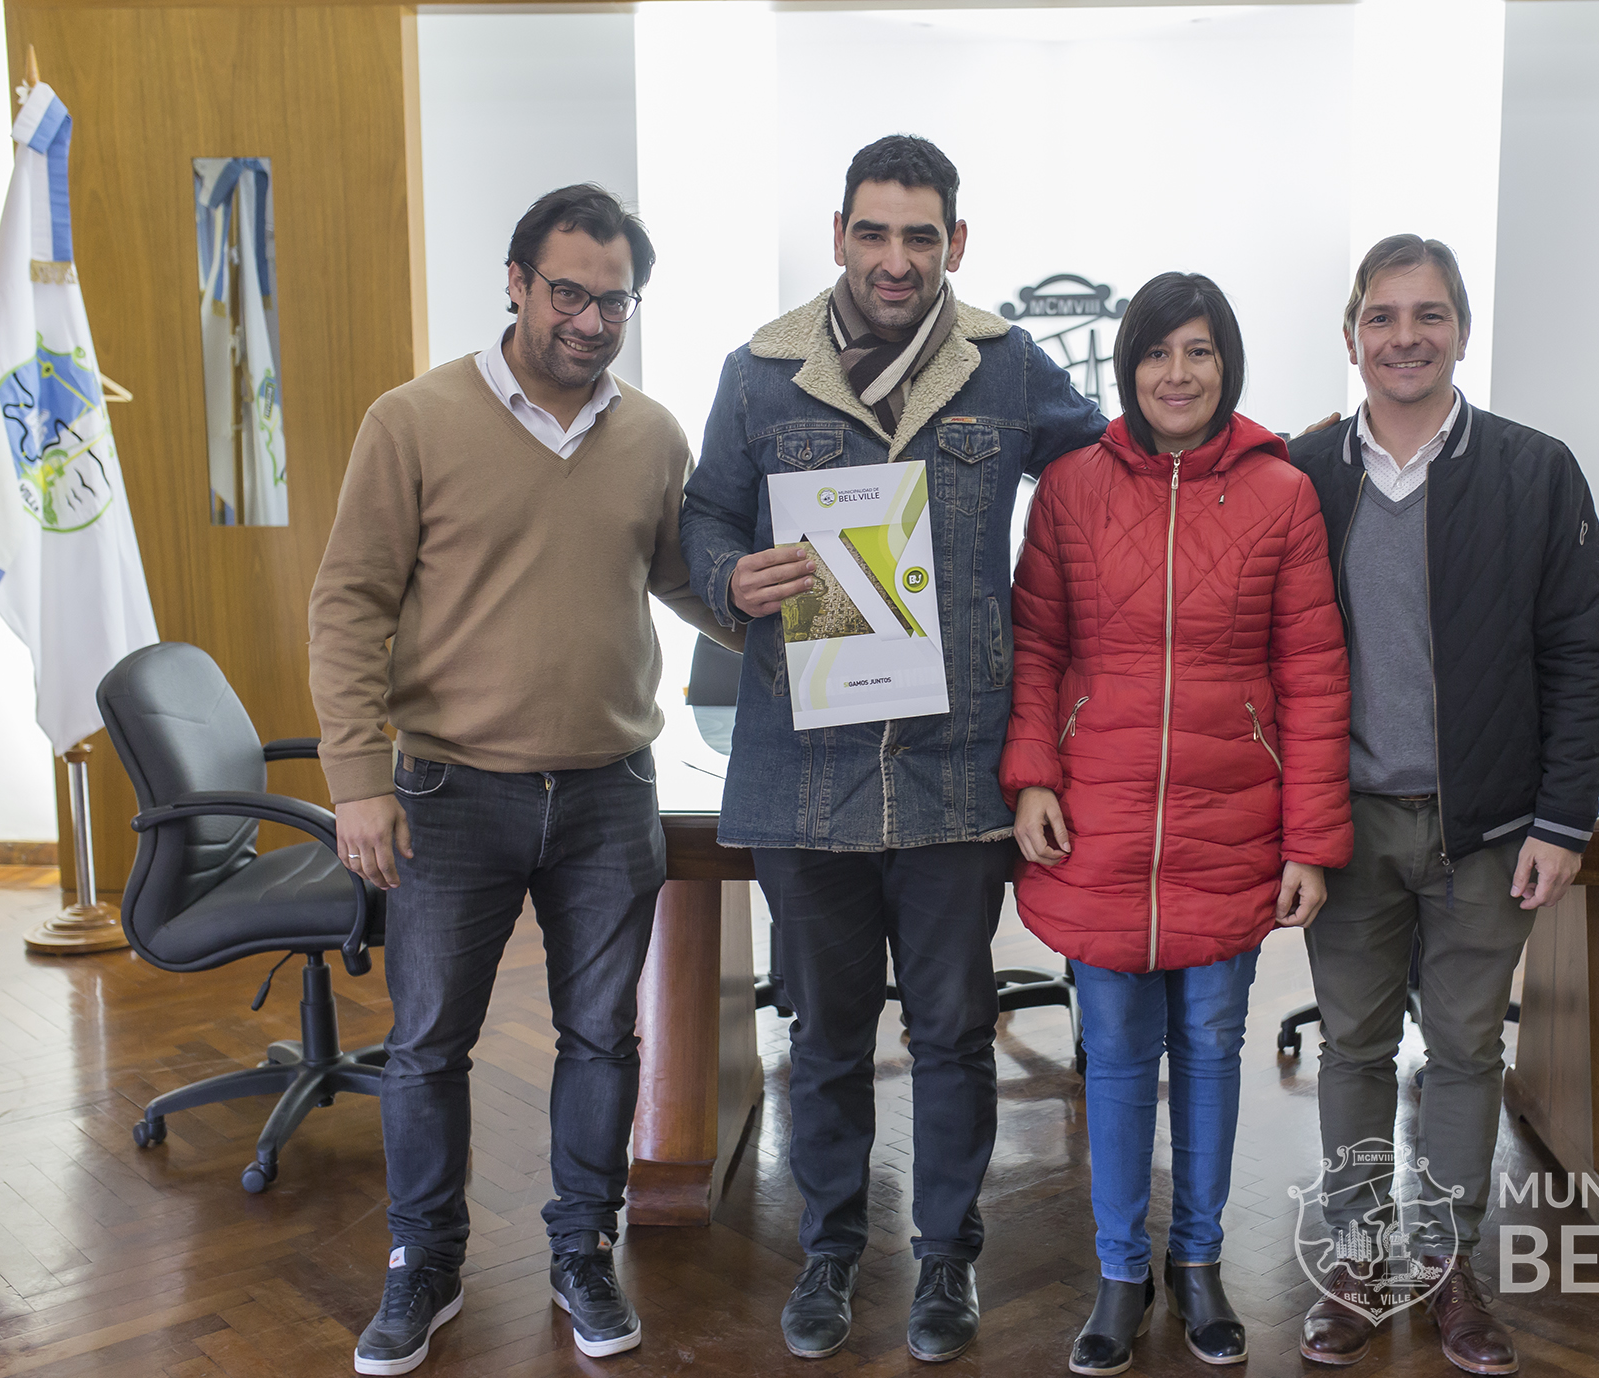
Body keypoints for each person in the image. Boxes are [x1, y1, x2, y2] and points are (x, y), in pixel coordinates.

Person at [679, 134, 1106, 1364]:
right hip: (805, 776)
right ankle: (828, 1249)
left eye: (922, 236)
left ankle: (947, 1257)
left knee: (954, 1031)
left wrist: (1252, 461)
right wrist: (729, 576)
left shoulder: (1006, 367)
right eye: (873, 232)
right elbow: (705, 513)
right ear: (839, 235)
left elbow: (1111, 467)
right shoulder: (761, 373)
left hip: (955, 770)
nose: (896, 259)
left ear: (955, 244)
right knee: (822, 1034)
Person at [308, 184, 739, 1376]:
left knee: (602, 1040)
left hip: (608, 792)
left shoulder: (652, 436)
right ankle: (424, 1264)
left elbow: (681, 579)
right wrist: (356, 777)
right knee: (429, 1045)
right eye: (569, 294)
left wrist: (804, 622)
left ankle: (581, 1250)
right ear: (514, 281)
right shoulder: (412, 421)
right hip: (451, 793)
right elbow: (347, 604)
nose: (593, 322)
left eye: (616, 301)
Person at [1002, 272, 1353, 1376]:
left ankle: (1197, 1263)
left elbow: (1312, 674)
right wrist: (1032, 775)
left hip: (1230, 818)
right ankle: (1120, 1271)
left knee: (1208, 1049)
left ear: (1226, 364)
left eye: (1199, 351)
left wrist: (1310, 841)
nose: (1178, 373)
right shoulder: (1069, 487)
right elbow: (1035, 644)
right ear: (1129, 366)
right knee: (1112, 1055)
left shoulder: (1281, 492)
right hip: (1096, 816)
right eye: (1157, 352)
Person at [1288, 235, 1599, 1376]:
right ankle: (1357, 1256)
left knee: (1467, 1048)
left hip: (1486, 824)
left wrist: (1562, 820)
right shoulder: (1303, 474)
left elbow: (1580, 656)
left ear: (1462, 331)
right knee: (1352, 1046)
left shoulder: (1535, 471)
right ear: (1351, 339)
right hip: (1346, 822)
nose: (1405, 337)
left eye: (1428, 315)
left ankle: (1445, 1264)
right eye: (1381, 317)